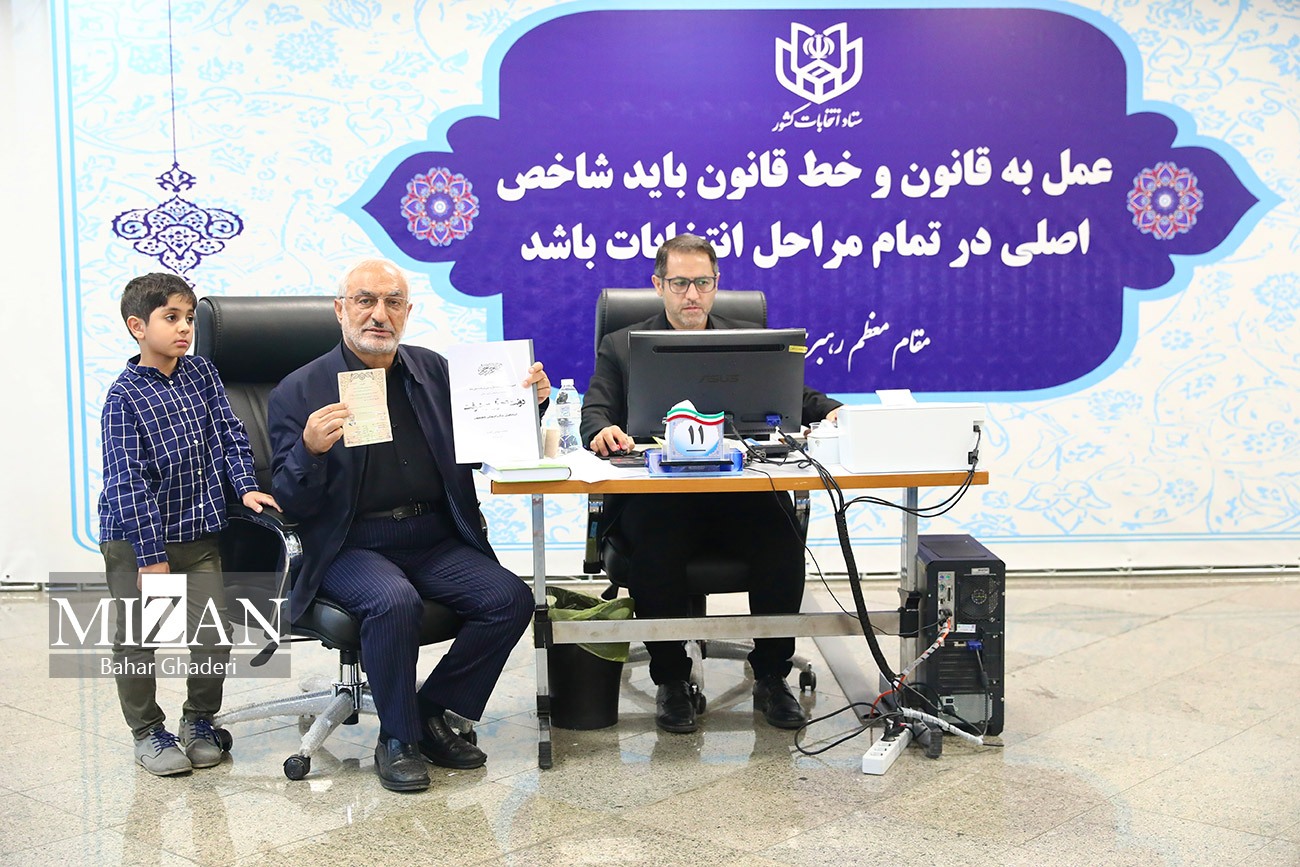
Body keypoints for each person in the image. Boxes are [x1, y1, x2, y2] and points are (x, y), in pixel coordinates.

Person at [267, 258, 544, 792]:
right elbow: (291, 502)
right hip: (350, 544)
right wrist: (309, 451)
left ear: (408, 312)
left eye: (392, 302)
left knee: (509, 599)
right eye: (365, 301)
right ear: (340, 309)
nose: (379, 314)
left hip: (431, 536)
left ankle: (430, 713)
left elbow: (486, 446)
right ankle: (397, 739)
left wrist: (526, 406)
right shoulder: (299, 390)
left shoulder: (434, 371)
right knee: (394, 601)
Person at [581, 234, 841, 734]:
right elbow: (595, 410)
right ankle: (671, 680)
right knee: (656, 547)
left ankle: (772, 675)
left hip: (737, 493)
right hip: (661, 498)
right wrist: (601, 430)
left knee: (782, 538)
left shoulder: (748, 338)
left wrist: (833, 411)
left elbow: (796, 396)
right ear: (659, 285)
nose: (692, 295)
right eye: (680, 283)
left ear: (717, 284)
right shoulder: (621, 345)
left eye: (703, 283)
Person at [99, 272, 280, 776]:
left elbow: (229, 433)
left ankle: (199, 720)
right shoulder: (123, 398)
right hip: (138, 541)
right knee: (139, 639)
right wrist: (150, 557)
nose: (185, 328)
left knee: (212, 634)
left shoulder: (202, 373)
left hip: (198, 536)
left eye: (190, 318)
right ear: (137, 326)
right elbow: (126, 481)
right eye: (171, 317)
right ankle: (147, 731)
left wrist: (244, 485)